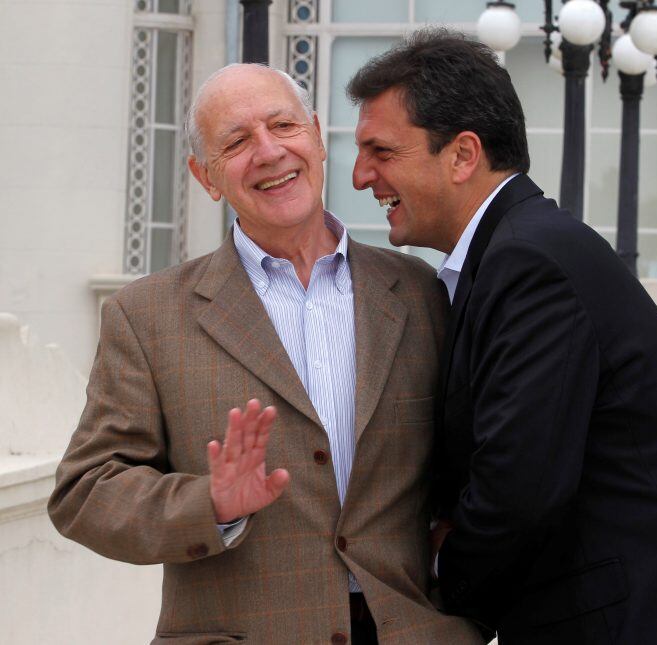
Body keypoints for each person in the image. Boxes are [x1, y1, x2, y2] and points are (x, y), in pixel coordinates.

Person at [348, 29, 657, 645]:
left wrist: (434, 571)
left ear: (463, 155)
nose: (361, 176)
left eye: (381, 151)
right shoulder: (516, 250)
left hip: (642, 619)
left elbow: (520, 488)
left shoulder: (529, 263)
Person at [48, 63, 484, 645]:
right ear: (206, 177)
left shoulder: (422, 293)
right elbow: (85, 492)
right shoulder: (147, 315)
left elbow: (476, 462)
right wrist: (212, 502)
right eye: (235, 142)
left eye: (283, 125)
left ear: (317, 136)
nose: (269, 151)